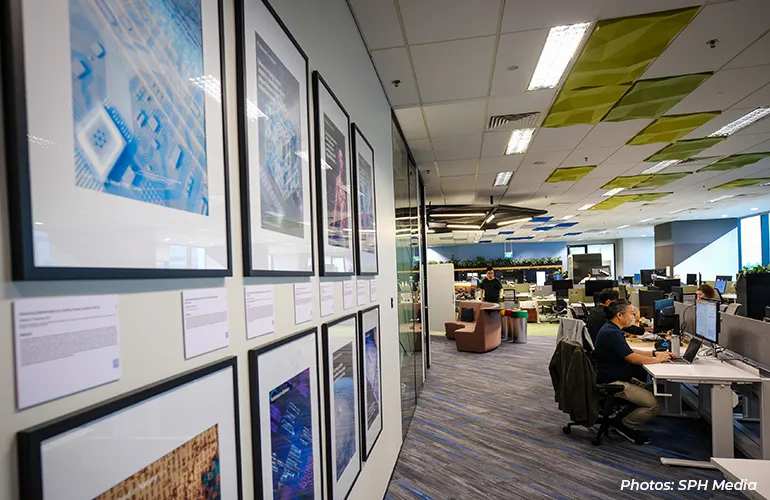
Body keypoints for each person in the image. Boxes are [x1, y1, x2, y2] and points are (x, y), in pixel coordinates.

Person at [594, 299, 675, 444]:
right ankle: (626, 424)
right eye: (631, 313)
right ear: (620, 315)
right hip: (614, 382)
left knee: (658, 391)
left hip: (619, 376)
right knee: (657, 404)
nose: (633, 316)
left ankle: (620, 417)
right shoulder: (612, 333)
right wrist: (658, 359)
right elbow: (631, 358)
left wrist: (654, 354)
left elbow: (629, 350)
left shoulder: (612, 329)